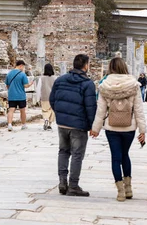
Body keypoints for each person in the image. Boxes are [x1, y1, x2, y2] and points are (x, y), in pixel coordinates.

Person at [91, 58, 146, 202]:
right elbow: (138, 109)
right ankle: (129, 188)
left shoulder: (105, 85)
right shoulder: (133, 84)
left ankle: (120, 191)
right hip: (129, 127)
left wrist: (95, 128)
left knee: (115, 157)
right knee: (125, 155)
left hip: (111, 127)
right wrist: (142, 130)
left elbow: (101, 110)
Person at [49, 54, 97, 197]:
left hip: (62, 123)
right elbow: (90, 107)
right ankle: (73, 185)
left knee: (63, 151)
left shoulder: (60, 80)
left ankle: (62, 182)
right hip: (78, 125)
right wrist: (92, 126)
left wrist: (60, 114)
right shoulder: (88, 84)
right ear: (86, 66)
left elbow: (52, 99)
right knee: (77, 154)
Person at [5, 60, 34, 131]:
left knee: (11, 110)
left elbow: (7, 85)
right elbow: (25, 85)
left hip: (12, 95)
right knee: (22, 110)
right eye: (23, 67)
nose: (23, 68)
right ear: (21, 65)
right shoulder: (22, 74)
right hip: (21, 95)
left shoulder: (9, 74)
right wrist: (30, 84)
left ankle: (9, 124)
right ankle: (23, 124)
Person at [37, 63, 58, 131]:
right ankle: (50, 124)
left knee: (45, 110)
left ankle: (46, 119)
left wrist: (38, 98)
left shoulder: (41, 78)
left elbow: (38, 88)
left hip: (44, 97)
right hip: (54, 97)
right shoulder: (55, 78)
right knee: (52, 111)